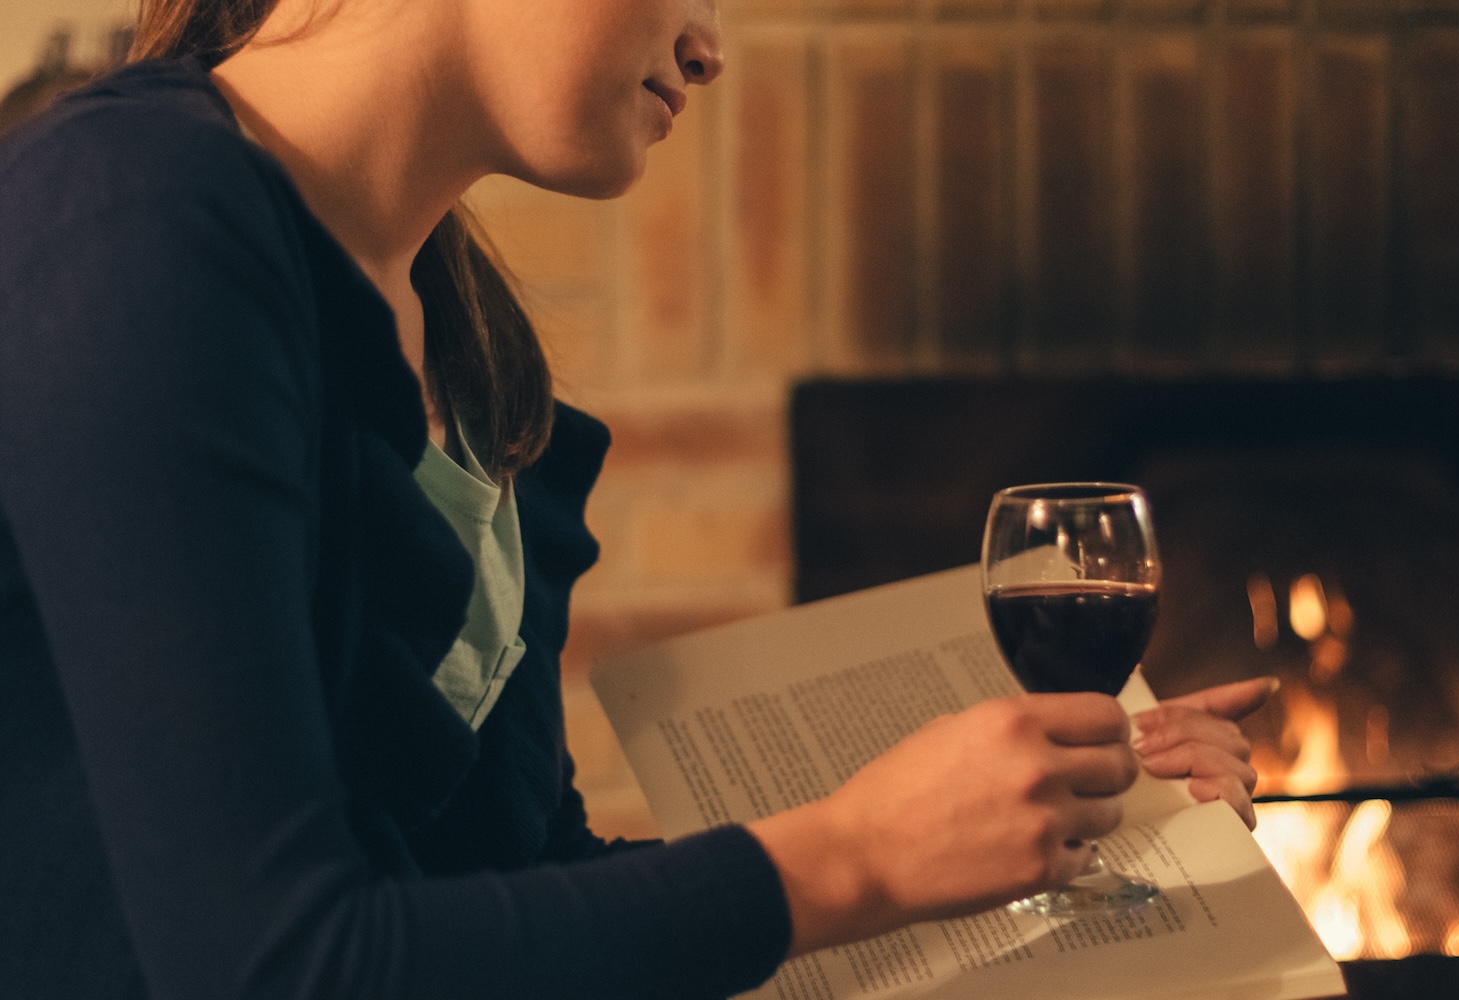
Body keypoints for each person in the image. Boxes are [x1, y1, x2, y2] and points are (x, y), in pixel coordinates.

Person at [0, 0, 1273, 997]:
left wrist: (1007, 825)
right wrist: (858, 854)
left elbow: (524, 889)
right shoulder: (134, 222)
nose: (710, 46)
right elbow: (274, 969)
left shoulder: (470, 346)